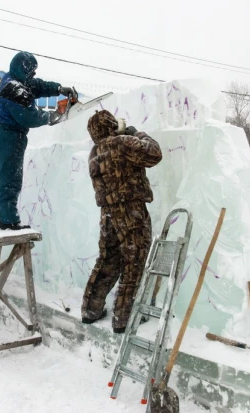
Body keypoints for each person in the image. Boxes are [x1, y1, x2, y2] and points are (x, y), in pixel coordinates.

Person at [81, 110, 163, 334]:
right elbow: (154, 153)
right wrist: (136, 133)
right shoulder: (122, 142)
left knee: (108, 260)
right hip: (131, 212)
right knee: (134, 261)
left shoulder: (94, 152)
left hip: (108, 214)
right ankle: (123, 318)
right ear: (111, 126)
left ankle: (91, 310)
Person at [0, 51, 77, 230]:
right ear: (23, 69)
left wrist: (58, 89)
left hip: (5, 133)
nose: (33, 75)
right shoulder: (14, 89)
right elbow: (28, 117)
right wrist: (52, 116)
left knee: (1, 177)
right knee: (11, 178)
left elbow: (38, 86)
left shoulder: (16, 80)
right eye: (31, 71)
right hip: (11, 135)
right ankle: (9, 220)